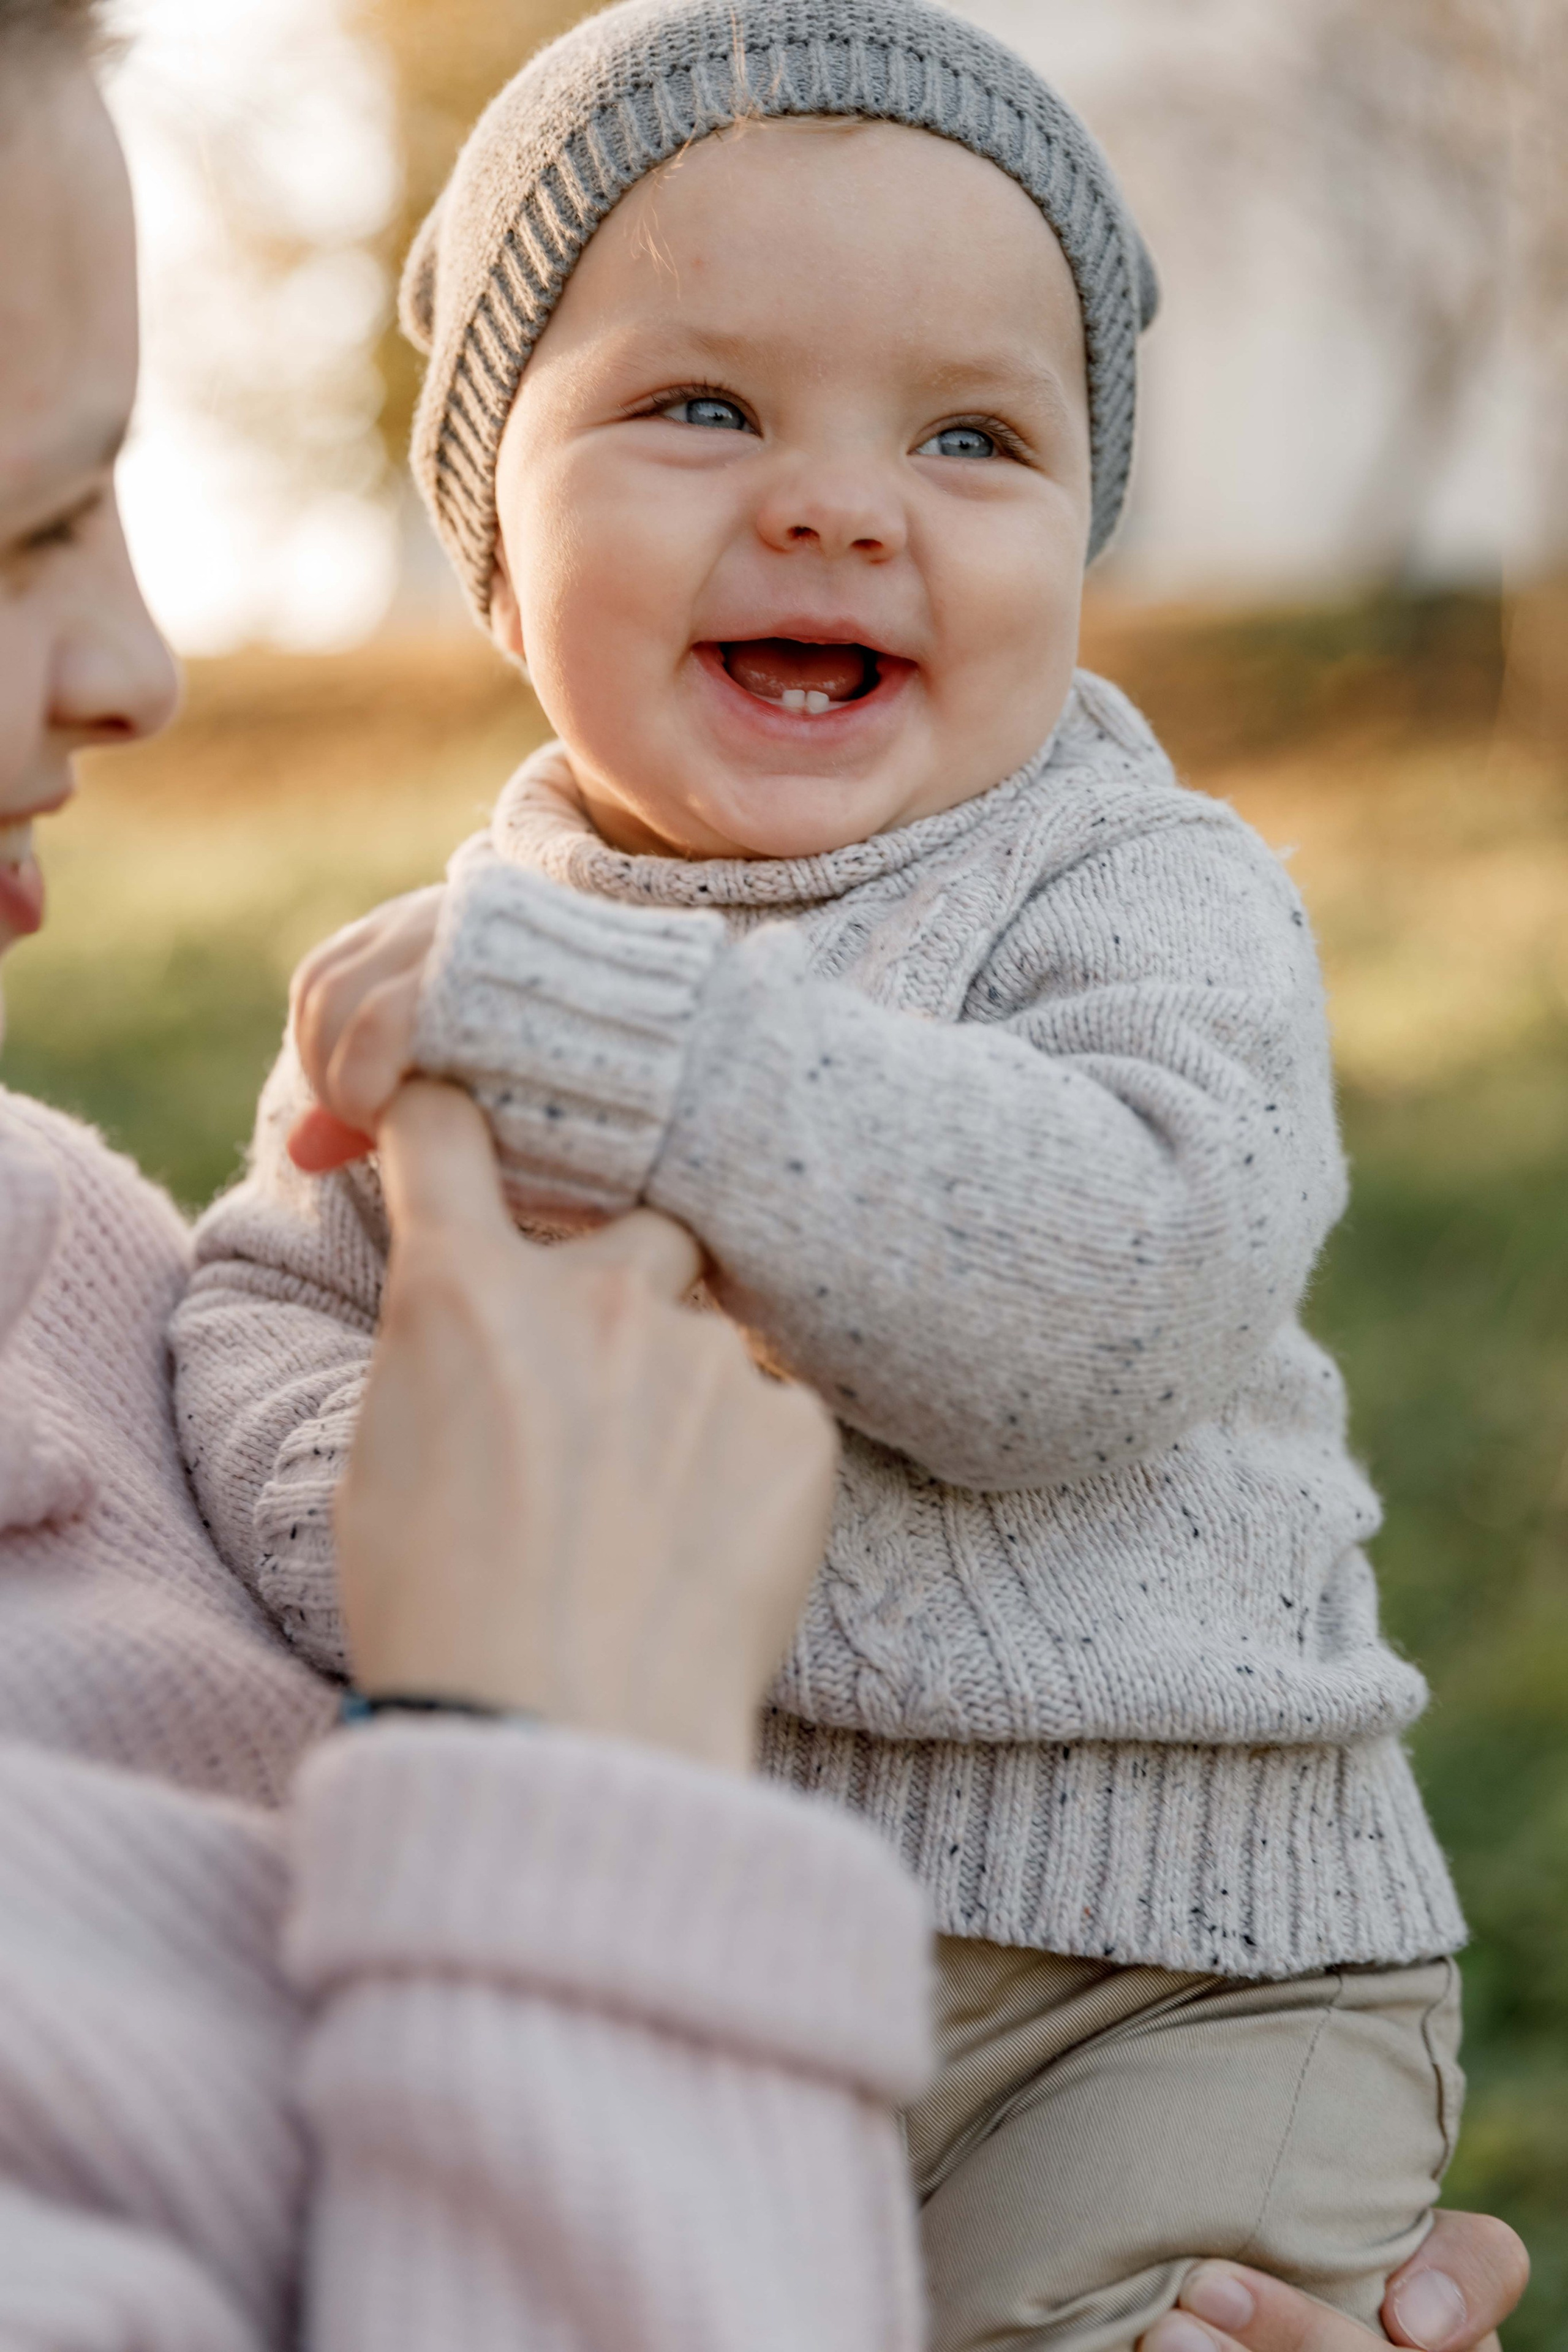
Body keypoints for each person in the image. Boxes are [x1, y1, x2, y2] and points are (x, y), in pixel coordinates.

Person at [0, 0, 1529, 2343]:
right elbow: (264, 1306)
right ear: (492, 551)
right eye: (699, 407)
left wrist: (627, 1043)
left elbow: (1108, 1304)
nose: (837, 501)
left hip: (1163, 1974)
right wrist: (434, 1524)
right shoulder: (482, 941)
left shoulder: (1135, 894)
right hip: (675, 1927)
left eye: (975, 434)